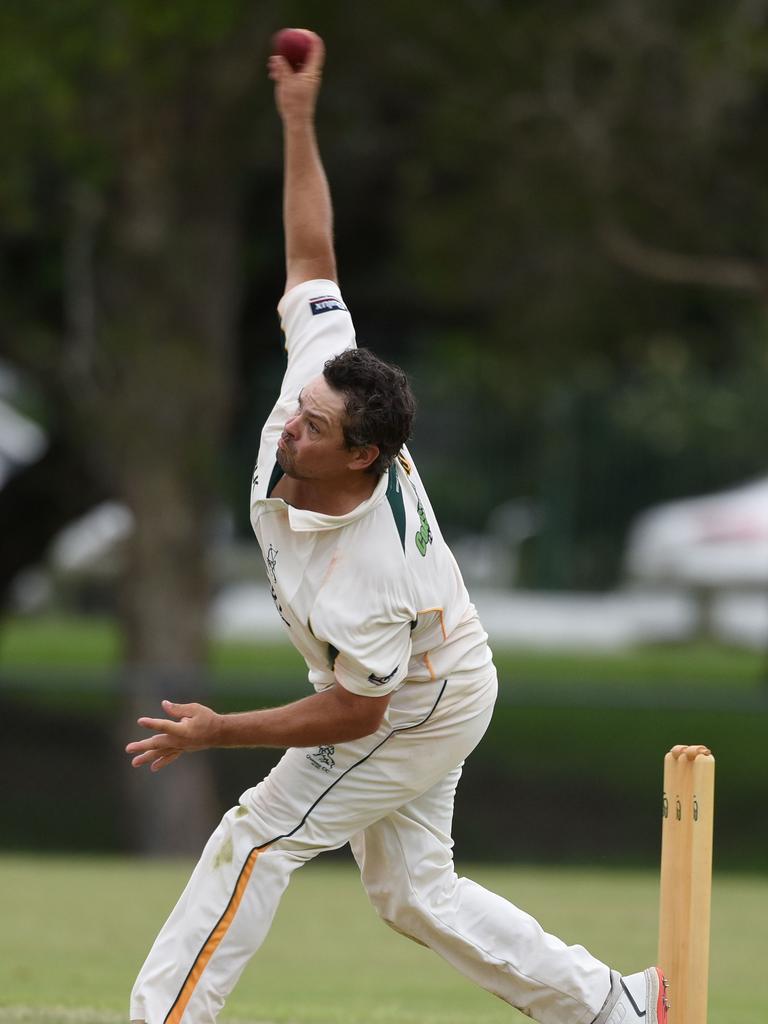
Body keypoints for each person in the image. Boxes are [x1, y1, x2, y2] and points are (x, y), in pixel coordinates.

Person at [126, 30, 668, 1024]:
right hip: (420, 677)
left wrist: (218, 731)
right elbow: (309, 257)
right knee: (414, 892)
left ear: (364, 454)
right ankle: (616, 1007)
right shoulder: (321, 379)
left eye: (315, 428)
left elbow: (352, 714)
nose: (291, 424)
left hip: (413, 695)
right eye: (299, 409)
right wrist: (297, 120)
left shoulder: (374, 574)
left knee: (257, 835)